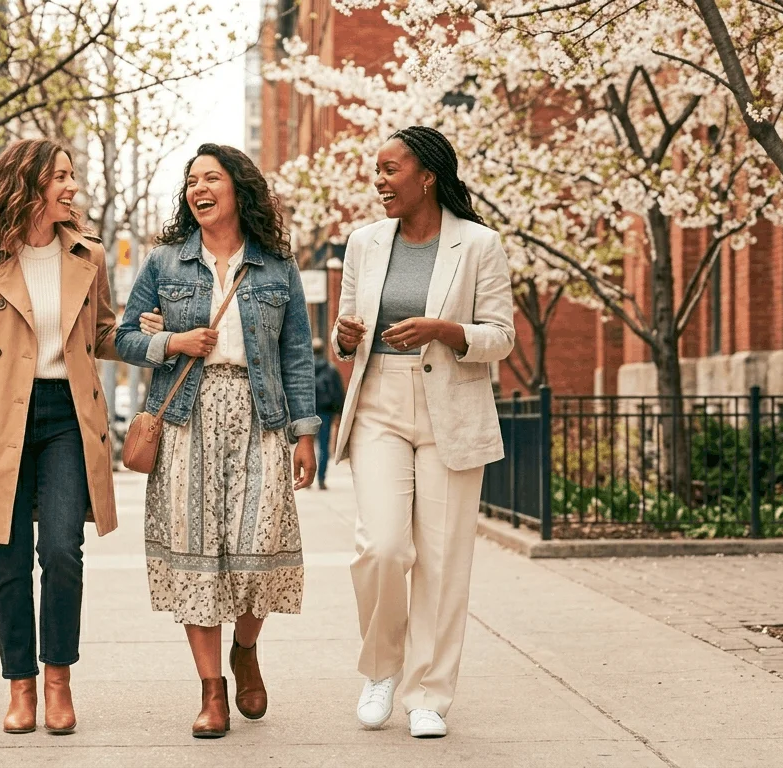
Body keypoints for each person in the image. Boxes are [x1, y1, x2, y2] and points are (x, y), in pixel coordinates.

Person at [118, 143, 319, 739]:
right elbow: (122, 336)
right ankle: (211, 689)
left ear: (238, 189)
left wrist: (305, 434)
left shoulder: (277, 268)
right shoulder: (164, 264)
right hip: (184, 416)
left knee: (260, 544)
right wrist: (172, 344)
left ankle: (246, 648)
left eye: (210, 178)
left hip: (259, 416)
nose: (198, 189)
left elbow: (297, 356)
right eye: (190, 181)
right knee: (195, 552)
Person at [331, 126, 514, 739]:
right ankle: (381, 670)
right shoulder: (364, 242)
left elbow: (502, 337)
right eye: (376, 170)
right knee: (382, 548)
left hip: (450, 408)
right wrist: (344, 338)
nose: (379, 181)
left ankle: (429, 694)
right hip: (379, 399)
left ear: (426, 176)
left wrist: (447, 328)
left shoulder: (480, 245)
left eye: (389, 169)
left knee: (441, 558)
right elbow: (345, 330)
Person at [0, 138, 120, 737]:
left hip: (67, 413)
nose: (72, 186)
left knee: (63, 551)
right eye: (61, 177)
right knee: (9, 557)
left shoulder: (88, 254)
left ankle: (58, 679)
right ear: (30, 183)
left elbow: (103, 335)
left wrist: (160, 337)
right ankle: (19, 685)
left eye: (72, 175)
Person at [312, 338, 345, 490]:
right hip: (325, 412)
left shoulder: (305, 369)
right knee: (324, 447)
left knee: (307, 445)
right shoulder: (331, 369)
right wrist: (338, 412)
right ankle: (321, 479)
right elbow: (338, 392)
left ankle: (307, 478)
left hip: (309, 412)